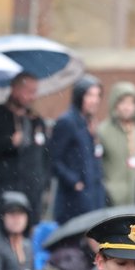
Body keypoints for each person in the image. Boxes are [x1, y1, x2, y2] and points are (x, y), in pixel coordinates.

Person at [0, 72, 50, 231]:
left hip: (29, 197)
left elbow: (45, 156)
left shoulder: (36, 120)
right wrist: (8, 142)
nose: (32, 96)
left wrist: (43, 184)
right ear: (15, 90)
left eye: (34, 92)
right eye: (28, 91)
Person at [51, 75, 107, 224]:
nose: (95, 100)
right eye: (90, 95)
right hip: (73, 200)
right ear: (79, 96)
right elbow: (53, 159)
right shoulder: (67, 122)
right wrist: (74, 182)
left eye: (97, 95)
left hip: (93, 196)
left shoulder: (91, 124)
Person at [98, 81, 135, 206]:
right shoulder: (103, 131)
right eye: (123, 102)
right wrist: (108, 190)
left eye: (131, 102)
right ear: (115, 104)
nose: (127, 107)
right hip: (110, 201)